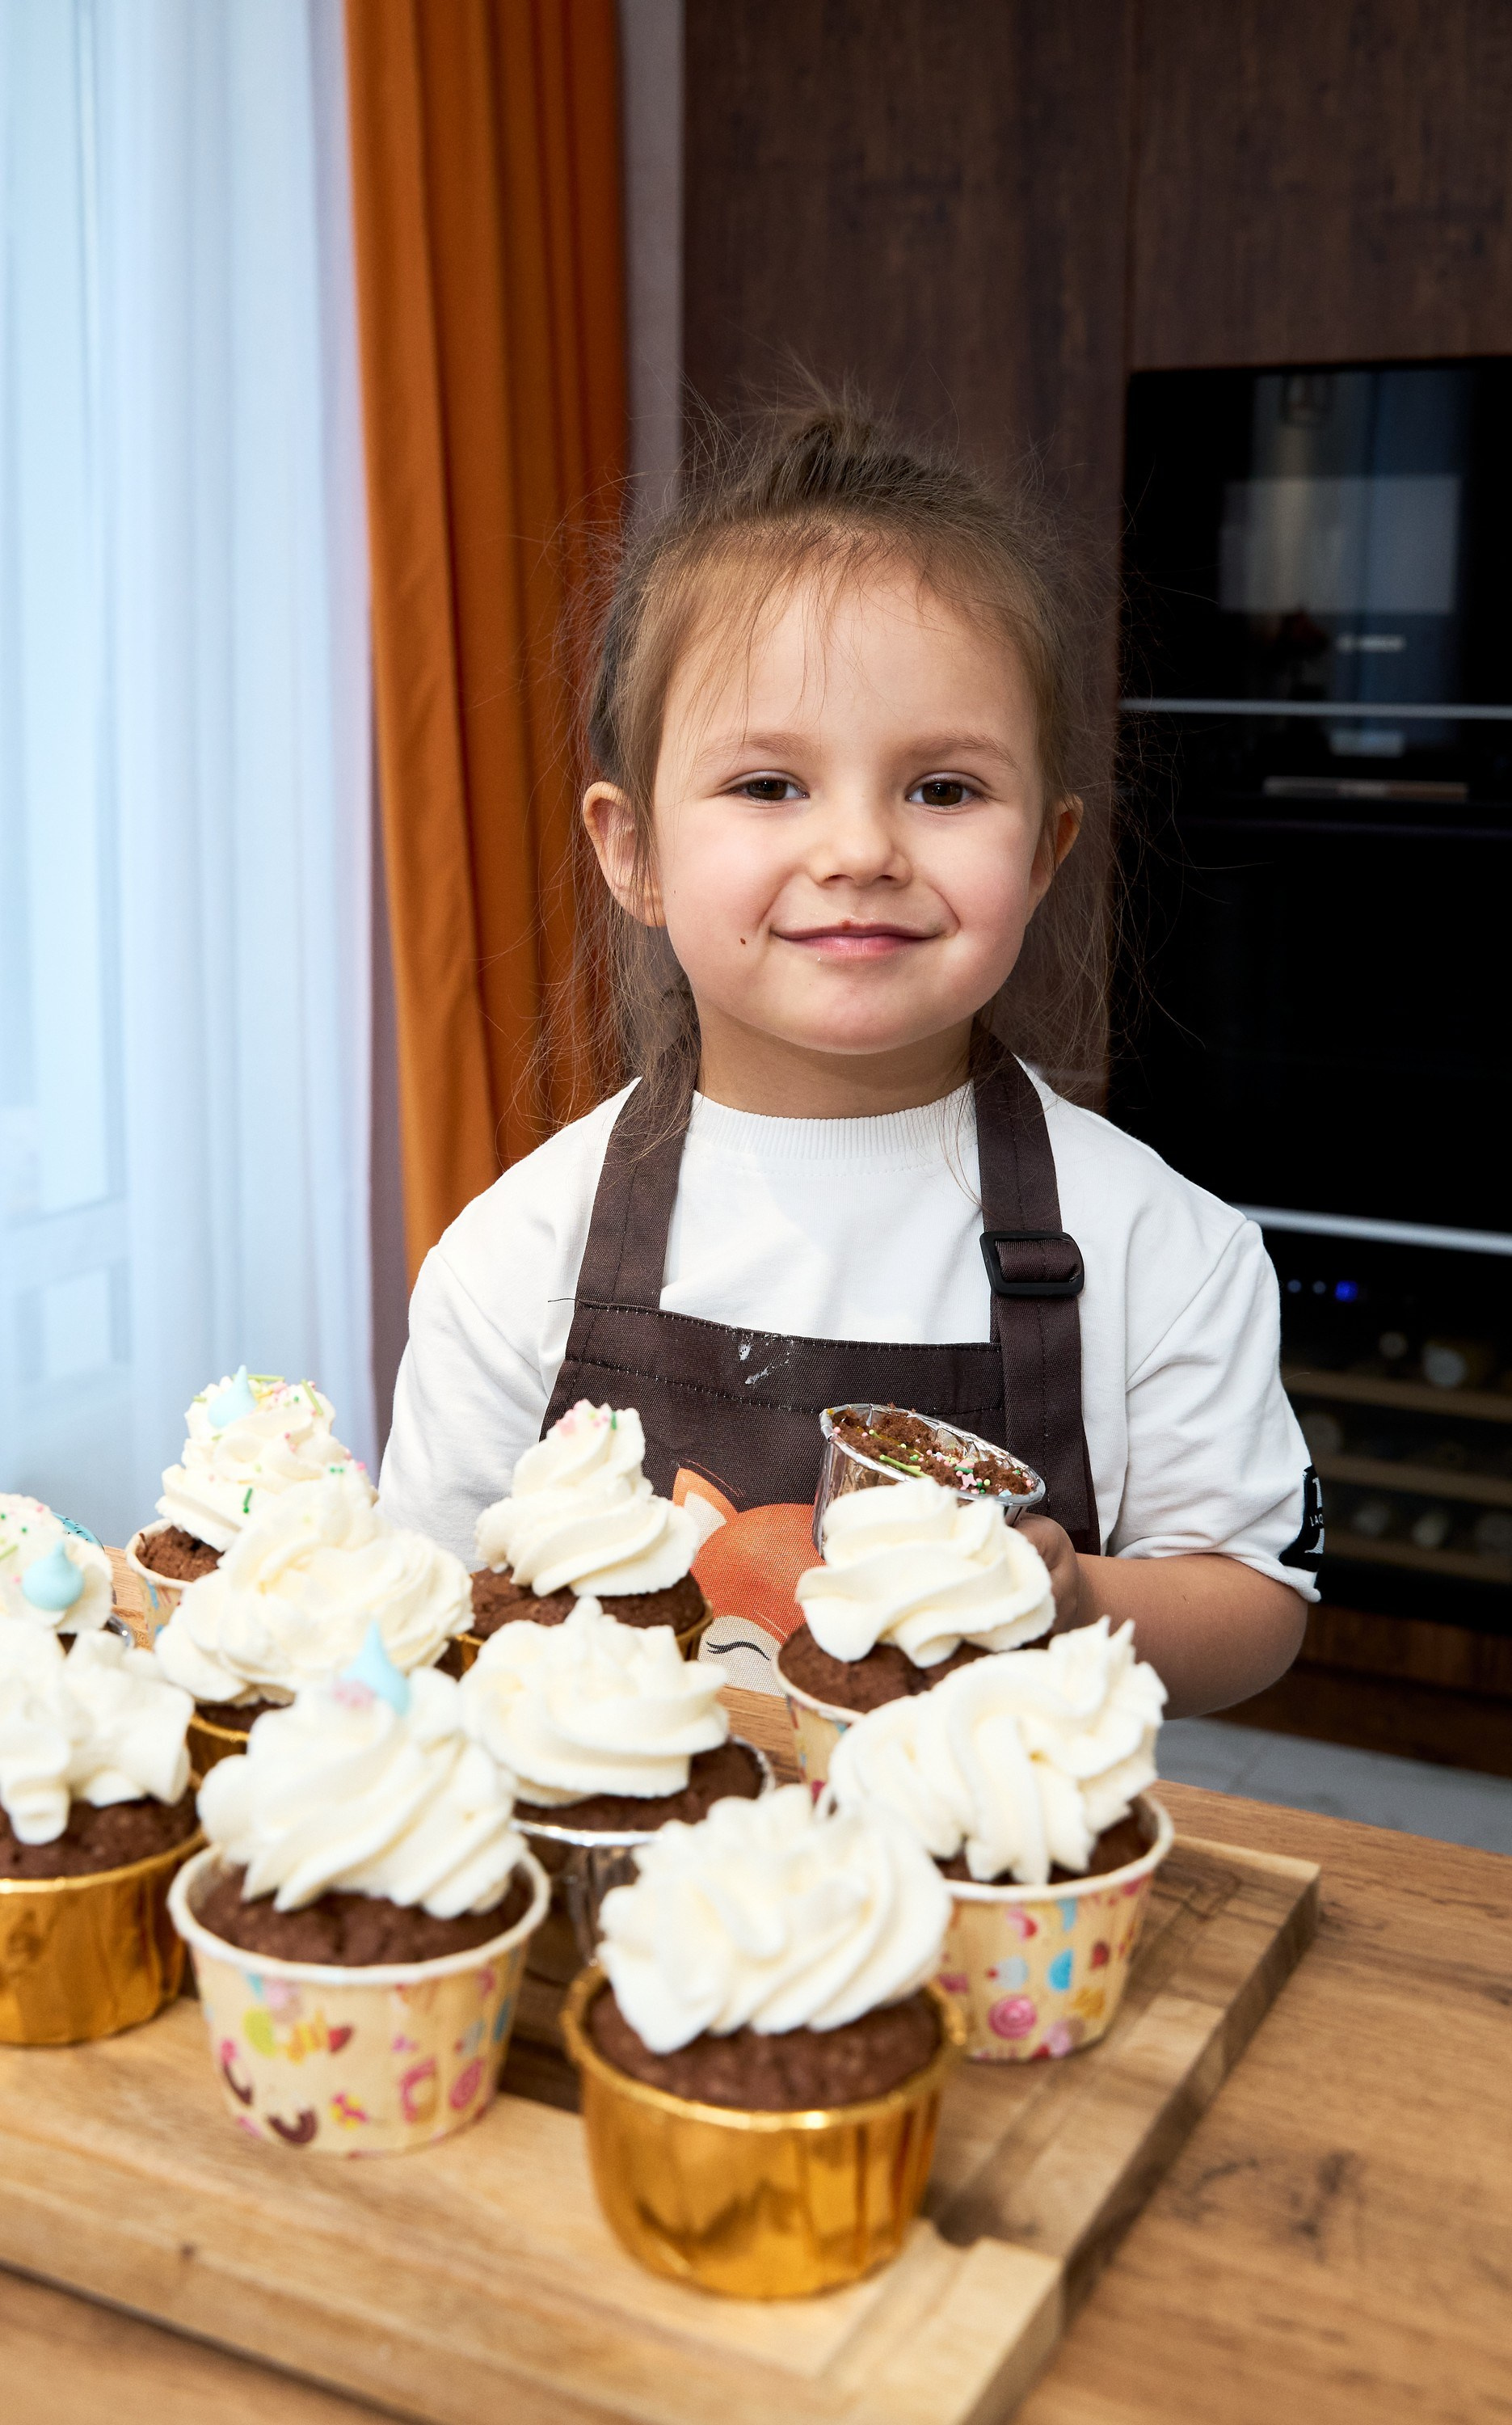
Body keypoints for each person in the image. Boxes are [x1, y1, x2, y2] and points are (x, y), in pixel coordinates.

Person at [379, 403, 1316, 1717]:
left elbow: (1258, 1602)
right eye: (771, 785)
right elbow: (429, 1612)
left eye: (943, 789)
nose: (862, 849)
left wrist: (1075, 1599)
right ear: (632, 850)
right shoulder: (518, 1250)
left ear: (1043, 853)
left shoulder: (1163, 1245)